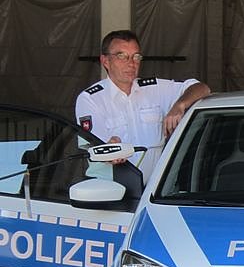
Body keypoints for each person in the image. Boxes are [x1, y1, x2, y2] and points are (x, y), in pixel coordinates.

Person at [75, 30, 211, 183]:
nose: (131, 63)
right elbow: (98, 149)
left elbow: (201, 88)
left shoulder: (155, 89)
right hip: (113, 191)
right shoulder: (91, 99)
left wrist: (180, 105)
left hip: (154, 190)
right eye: (122, 56)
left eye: (136, 56)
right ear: (105, 61)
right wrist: (109, 150)